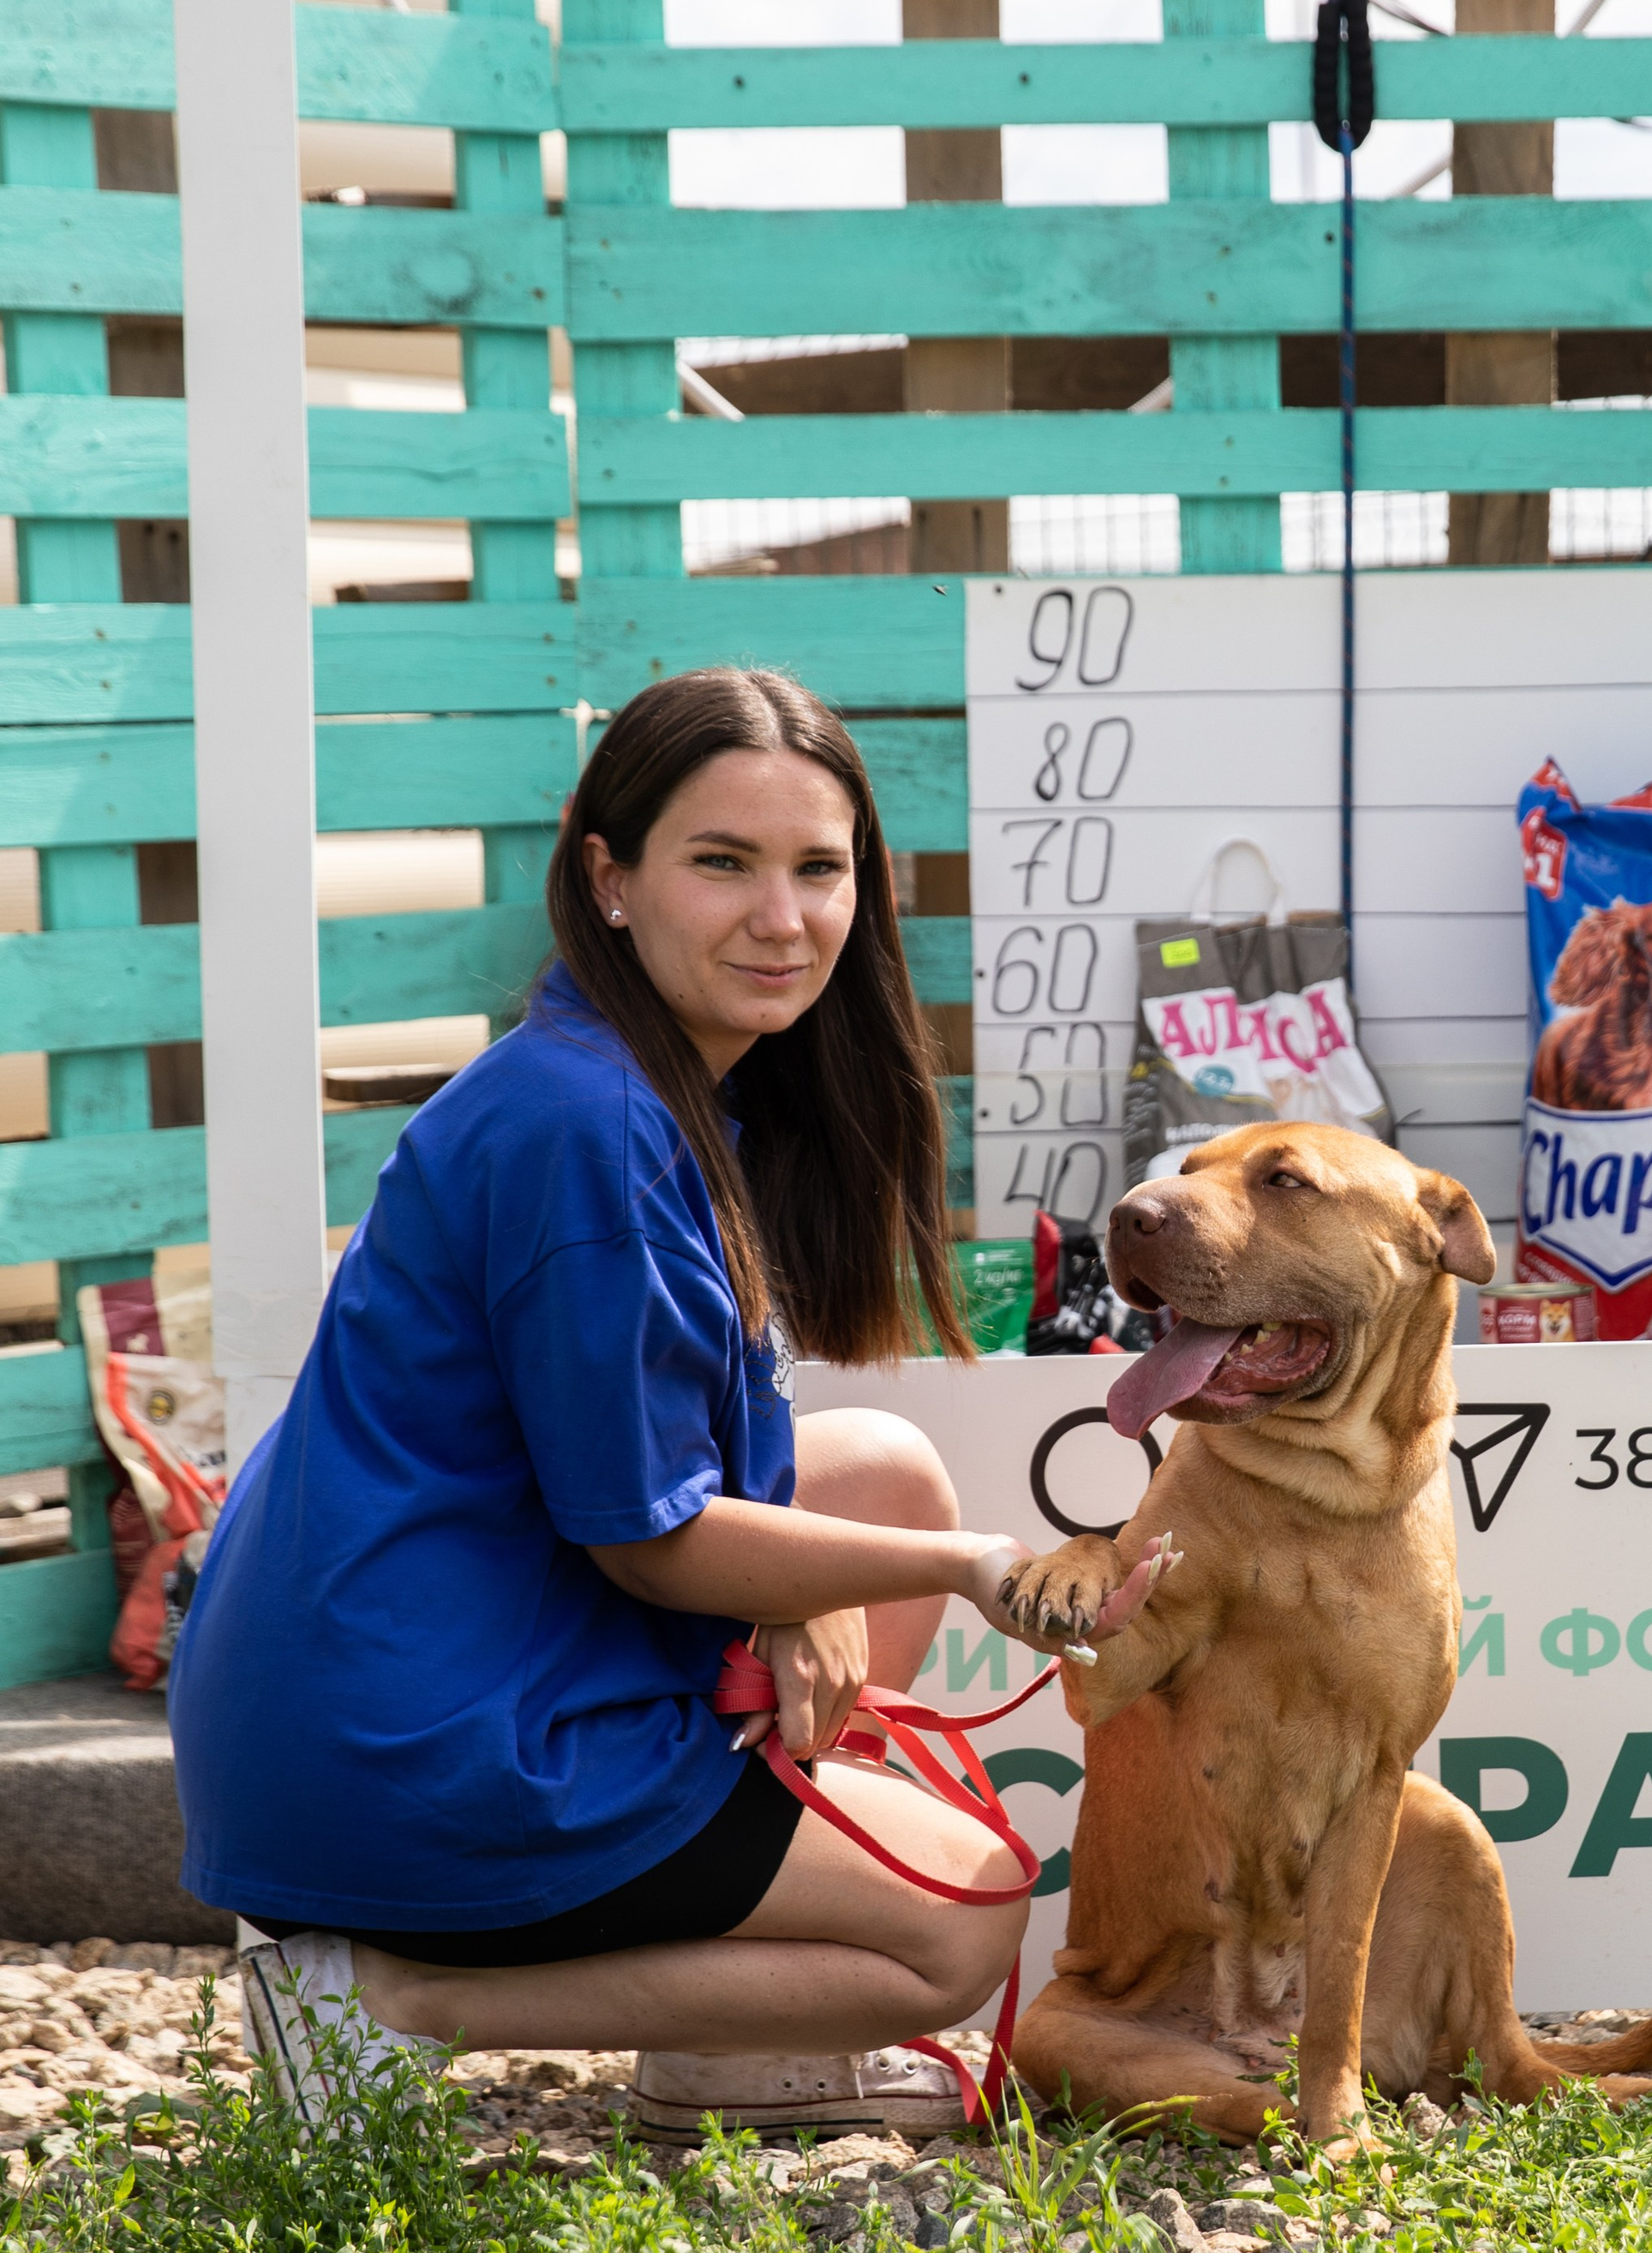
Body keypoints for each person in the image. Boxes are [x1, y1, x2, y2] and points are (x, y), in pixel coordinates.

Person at [170, 665, 1160, 2139]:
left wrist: (809, 1581)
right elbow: (654, 1544)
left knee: (879, 1467)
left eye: (821, 868)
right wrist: (972, 1571)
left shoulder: (633, 1078)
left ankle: (723, 2051)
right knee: (965, 1915)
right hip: (425, 1735)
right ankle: (383, 1999)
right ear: (608, 878)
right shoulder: (591, 1128)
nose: (785, 917)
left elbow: (678, 1487)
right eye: (723, 862)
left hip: (419, 1647)